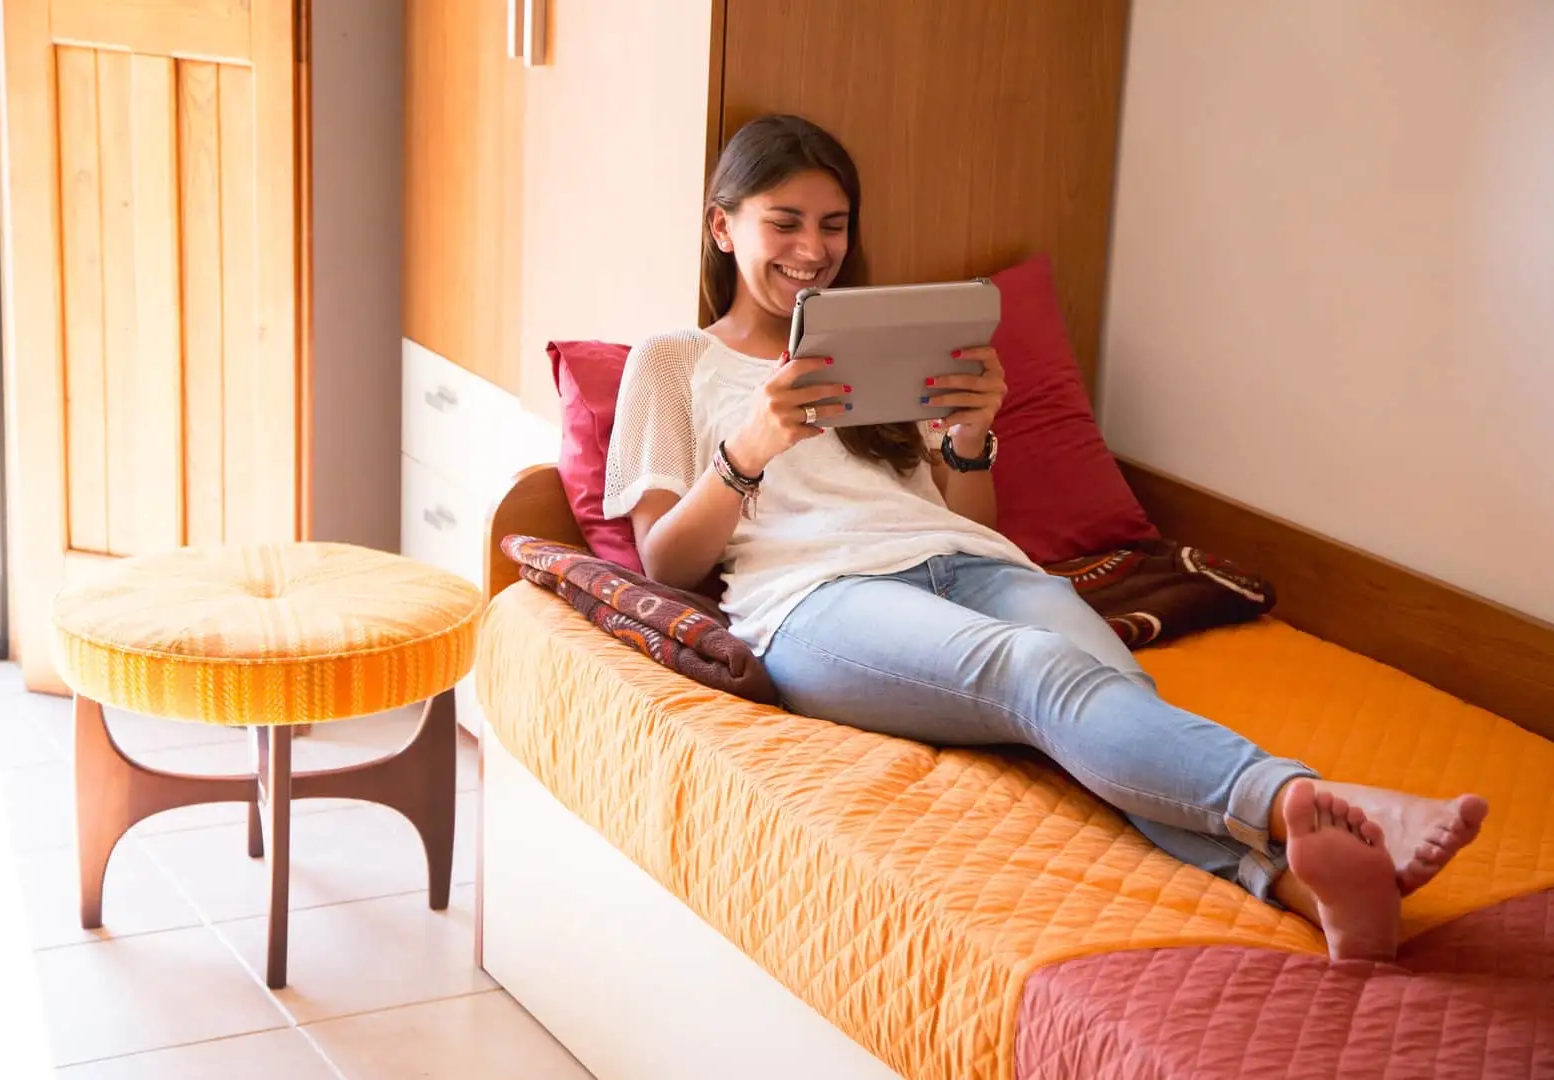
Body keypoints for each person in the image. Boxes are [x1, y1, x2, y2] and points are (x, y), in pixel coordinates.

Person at [601, 114, 1488, 961]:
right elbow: (666, 561)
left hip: (966, 565)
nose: (812, 249)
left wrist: (971, 437)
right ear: (723, 226)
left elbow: (967, 521)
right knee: (1035, 671)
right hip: (818, 602)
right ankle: (1301, 797)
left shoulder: (869, 342)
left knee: (1113, 687)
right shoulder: (675, 360)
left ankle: (1288, 881)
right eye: (783, 221)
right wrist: (750, 449)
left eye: (833, 225)